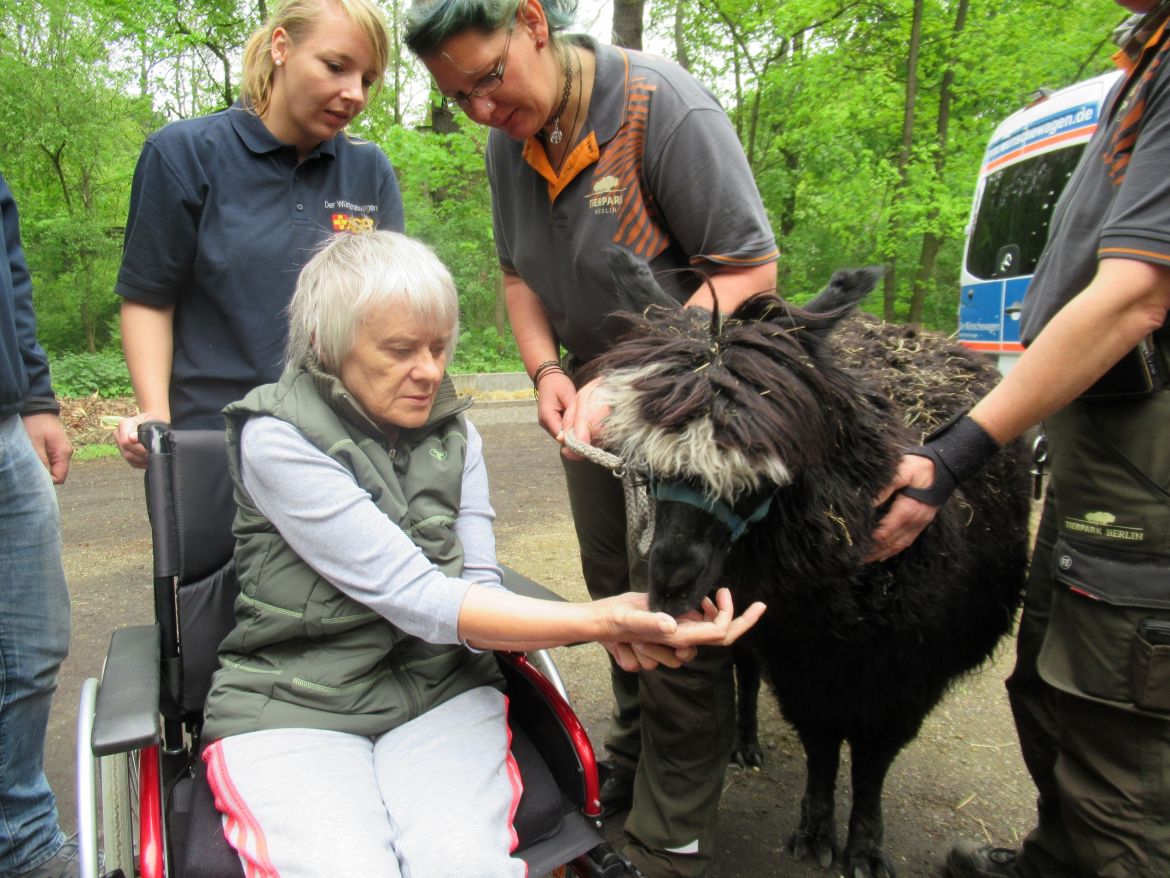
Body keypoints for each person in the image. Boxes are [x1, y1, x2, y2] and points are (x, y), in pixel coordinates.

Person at [198, 230, 764, 877]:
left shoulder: (457, 437)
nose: (431, 371)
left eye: (439, 347)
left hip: (440, 693)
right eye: (401, 350)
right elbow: (417, 597)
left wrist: (630, 627)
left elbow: (479, 587)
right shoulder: (276, 438)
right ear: (329, 345)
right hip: (295, 704)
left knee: (466, 863)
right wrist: (600, 620)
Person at [404, 4, 777, 875]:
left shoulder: (662, 108)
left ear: (532, 21)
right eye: (460, 98)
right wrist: (546, 371)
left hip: (689, 400)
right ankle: (630, 757)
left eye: (488, 77)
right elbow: (515, 272)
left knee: (671, 592)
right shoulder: (511, 143)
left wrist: (634, 374)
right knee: (609, 587)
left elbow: (750, 271)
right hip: (594, 402)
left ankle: (673, 822)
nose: (484, 110)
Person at [869, 2, 1170, 875]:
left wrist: (953, 455)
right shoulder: (1145, 57)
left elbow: (1136, 295)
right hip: (1097, 434)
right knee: (1051, 675)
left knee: (1122, 714)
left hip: (1147, 451)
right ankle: (1060, 854)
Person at [113, 0, 404, 468]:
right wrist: (156, 418)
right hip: (217, 439)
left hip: (341, 442)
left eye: (367, 80)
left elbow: (393, 312)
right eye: (335, 67)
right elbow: (149, 298)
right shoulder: (184, 153)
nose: (354, 93)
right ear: (281, 47)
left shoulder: (368, 169)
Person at [0, 172, 77, 878]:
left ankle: (21, 839)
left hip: (2, 423)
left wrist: (34, 398)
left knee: (33, 641)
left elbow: (9, 274)